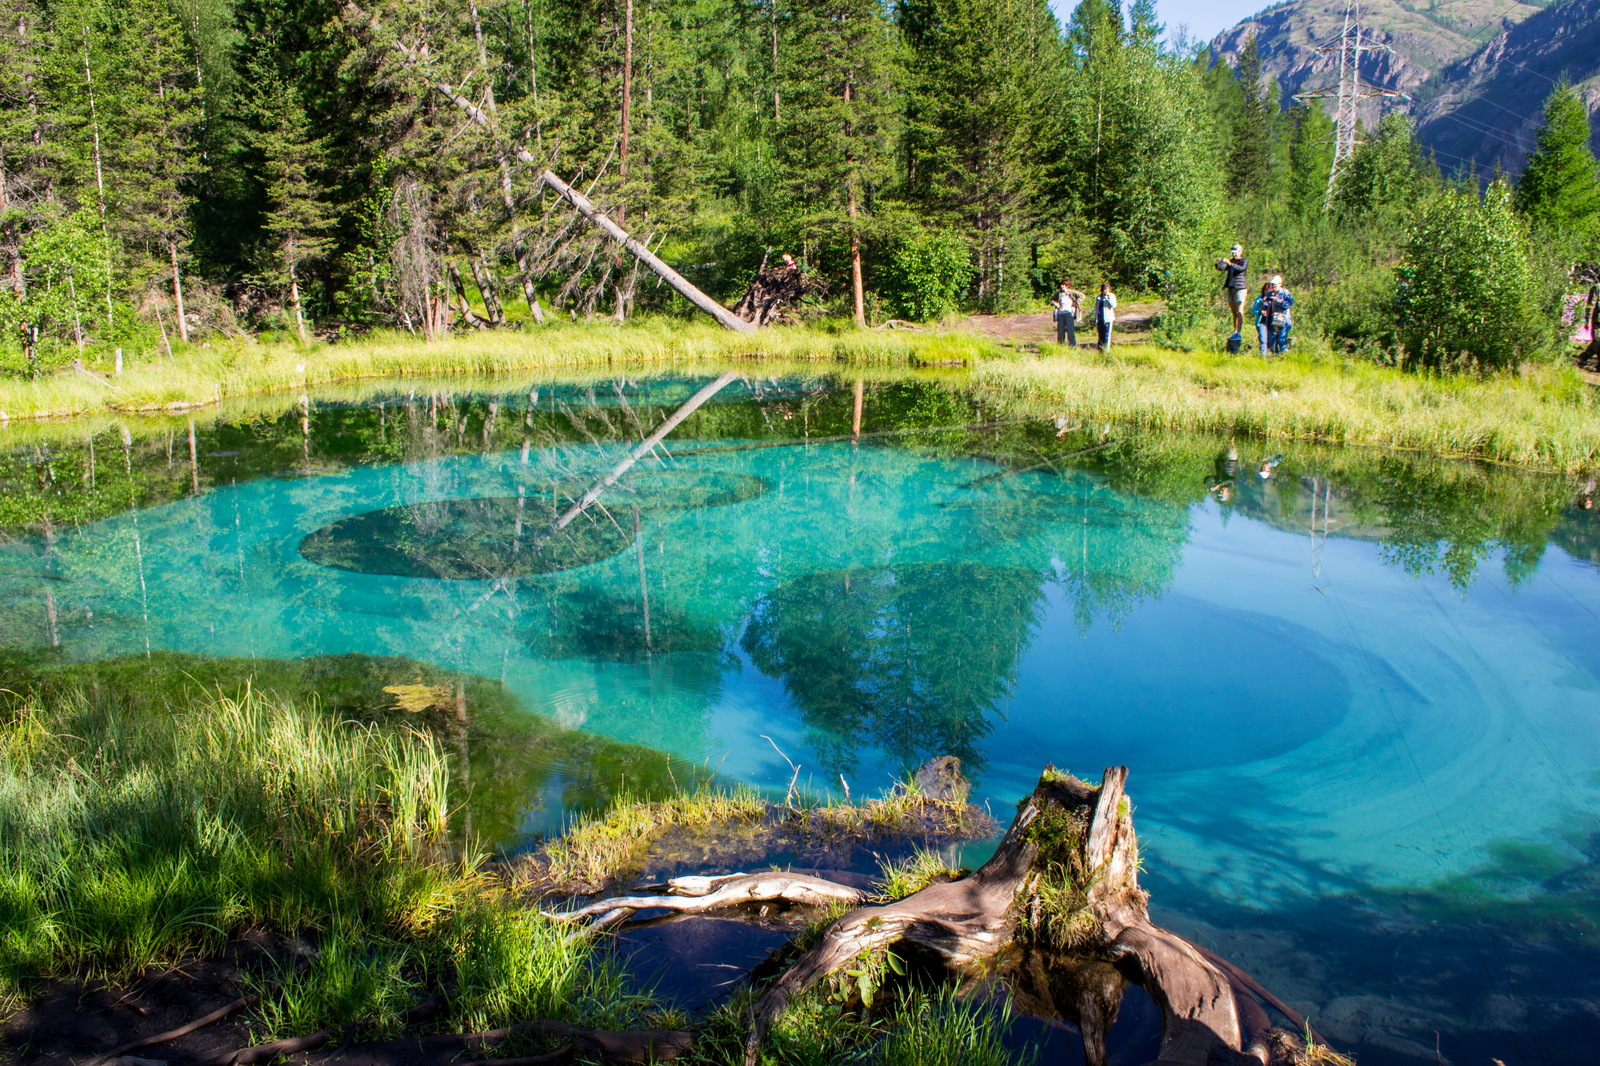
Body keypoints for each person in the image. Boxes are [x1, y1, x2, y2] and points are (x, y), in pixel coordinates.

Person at [1216, 244, 1248, 333]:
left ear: (1240, 252)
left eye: (1235, 252)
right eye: (1232, 253)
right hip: (1231, 288)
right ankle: (1235, 331)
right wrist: (1218, 263)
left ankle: (1238, 332)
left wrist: (1230, 263)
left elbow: (1241, 269)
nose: (1234, 254)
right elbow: (1222, 268)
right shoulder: (1231, 262)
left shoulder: (1243, 261)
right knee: (1234, 312)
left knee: (1239, 311)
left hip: (1240, 288)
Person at [1051, 281, 1085, 347]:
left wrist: (1076, 302)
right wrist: (1055, 304)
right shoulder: (1058, 293)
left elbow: (1082, 296)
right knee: (1060, 331)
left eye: (1064, 285)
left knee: (1070, 330)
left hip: (1069, 314)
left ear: (1067, 286)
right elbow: (1052, 300)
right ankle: (1061, 345)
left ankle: (1072, 345)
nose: (1062, 286)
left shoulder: (1071, 292)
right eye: (1061, 285)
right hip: (1060, 314)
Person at [1094, 281, 1117, 350]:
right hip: (1100, 318)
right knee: (1100, 335)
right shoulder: (1098, 297)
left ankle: (1106, 350)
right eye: (1104, 289)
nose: (1105, 290)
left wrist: (1108, 298)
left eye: (1107, 289)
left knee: (1106, 335)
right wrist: (1095, 318)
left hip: (1108, 319)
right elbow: (1096, 308)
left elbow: (1113, 305)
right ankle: (1100, 349)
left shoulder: (1111, 296)